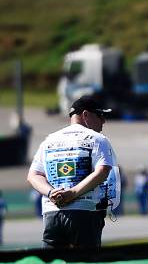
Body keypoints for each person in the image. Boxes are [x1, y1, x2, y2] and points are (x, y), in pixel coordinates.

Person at [27, 95, 118, 249]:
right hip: (85, 212)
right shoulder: (98, 139)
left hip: (51, 213)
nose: (103, 121)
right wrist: (73, 193)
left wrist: (51, 193)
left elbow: (33, 175)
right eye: (100, 115)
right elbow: (103, 171)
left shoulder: (48, 140)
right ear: (86, 115)